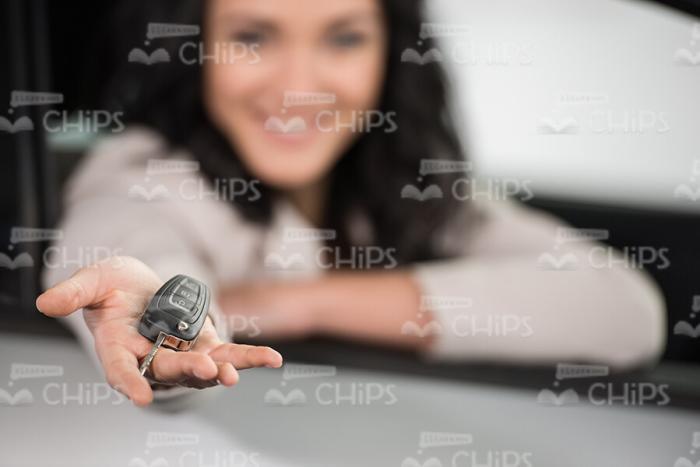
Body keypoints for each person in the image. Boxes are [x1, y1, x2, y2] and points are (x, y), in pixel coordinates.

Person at [37, 0, 665, 406]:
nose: (299, 87)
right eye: (254, 37)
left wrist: (295, 303)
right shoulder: (141, 172)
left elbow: (625, 312)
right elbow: (127, 250)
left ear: (387, 52)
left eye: (343, 39)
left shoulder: (399, 177)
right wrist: (162, 331)